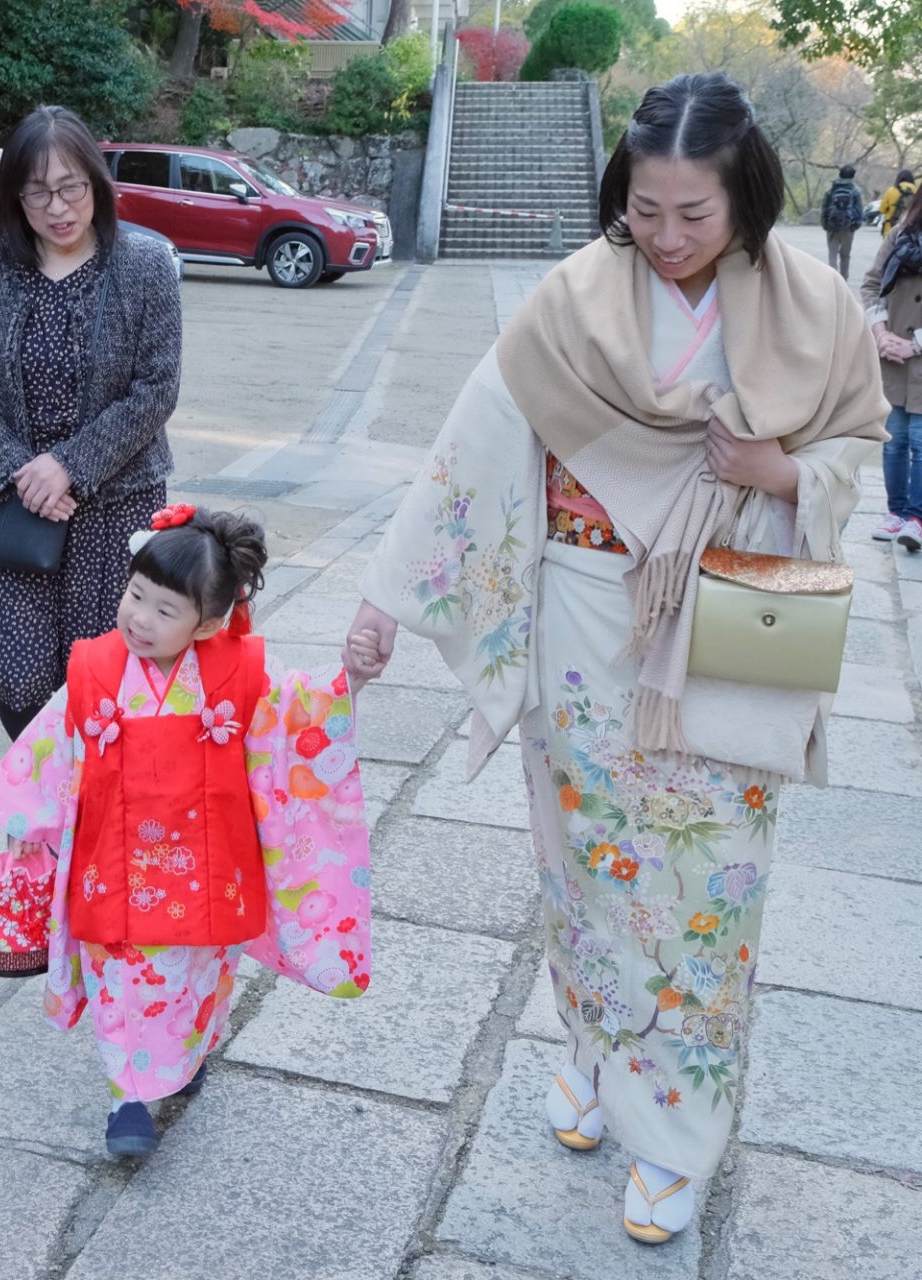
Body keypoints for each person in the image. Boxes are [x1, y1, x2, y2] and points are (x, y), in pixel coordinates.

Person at [345, 72, 886, 1247]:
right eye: (647, 209)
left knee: (705, 887)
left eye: (697, 213)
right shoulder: (571, 301)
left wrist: (783, 473)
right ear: (620, 194)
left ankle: (680, 1130)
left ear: (747, 196)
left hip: (740, 613)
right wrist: (387, 598)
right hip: (584, 621)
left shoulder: (816, 311)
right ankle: (594, 1056)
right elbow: (475, 442)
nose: (671, 237)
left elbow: (854, 439)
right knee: (587, 867)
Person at [0, 505, 374, 1157]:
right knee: (126, 981)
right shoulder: (92, 668)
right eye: (135, 596)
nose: (140, 618)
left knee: (190, 978)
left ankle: (182, 1059)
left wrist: (351, 678)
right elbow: (52, 741)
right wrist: (26, 822)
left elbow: (300, 717)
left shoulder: (239, 673)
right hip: (111, 862)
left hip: (206, 866)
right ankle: (128, 1097)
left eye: (165, 610)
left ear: (210, 623)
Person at [0, 104, 183, 742]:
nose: (58, 206)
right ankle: (48, 826)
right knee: (19, 679)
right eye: (37, 191)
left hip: (118, 509)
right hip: (21, 509)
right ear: (14, 194)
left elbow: (157, 387)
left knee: (111, 679)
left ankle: (102, 828)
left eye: (71, 185)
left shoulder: (145, 266)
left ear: (96, 184)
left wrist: (71, 466)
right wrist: (24, 474)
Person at [863, 189, 922, 548]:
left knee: (921, 440)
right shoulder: (899, 236)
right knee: (894, 440)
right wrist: (881, 334)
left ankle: (917, 518)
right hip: (894, 361)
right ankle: (896, 512)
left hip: (916, 355)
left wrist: (916, 344)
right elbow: (871, 285)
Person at [820, 164, 866, 278]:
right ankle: (843, 280)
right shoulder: (855, 192)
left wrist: (825, 224)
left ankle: (833, 279)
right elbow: (859, 210)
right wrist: (855, 225)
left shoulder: (831, 191)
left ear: (839, 175)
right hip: (848, 228)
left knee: (832, 254)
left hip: (832, 227)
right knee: (845, 255)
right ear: (852, 176)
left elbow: (824, 208)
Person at [880, 168, 915, 237]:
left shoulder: (891, 190)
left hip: (890, 227)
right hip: (911, 230)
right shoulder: (918, 191)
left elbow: (882, 209)